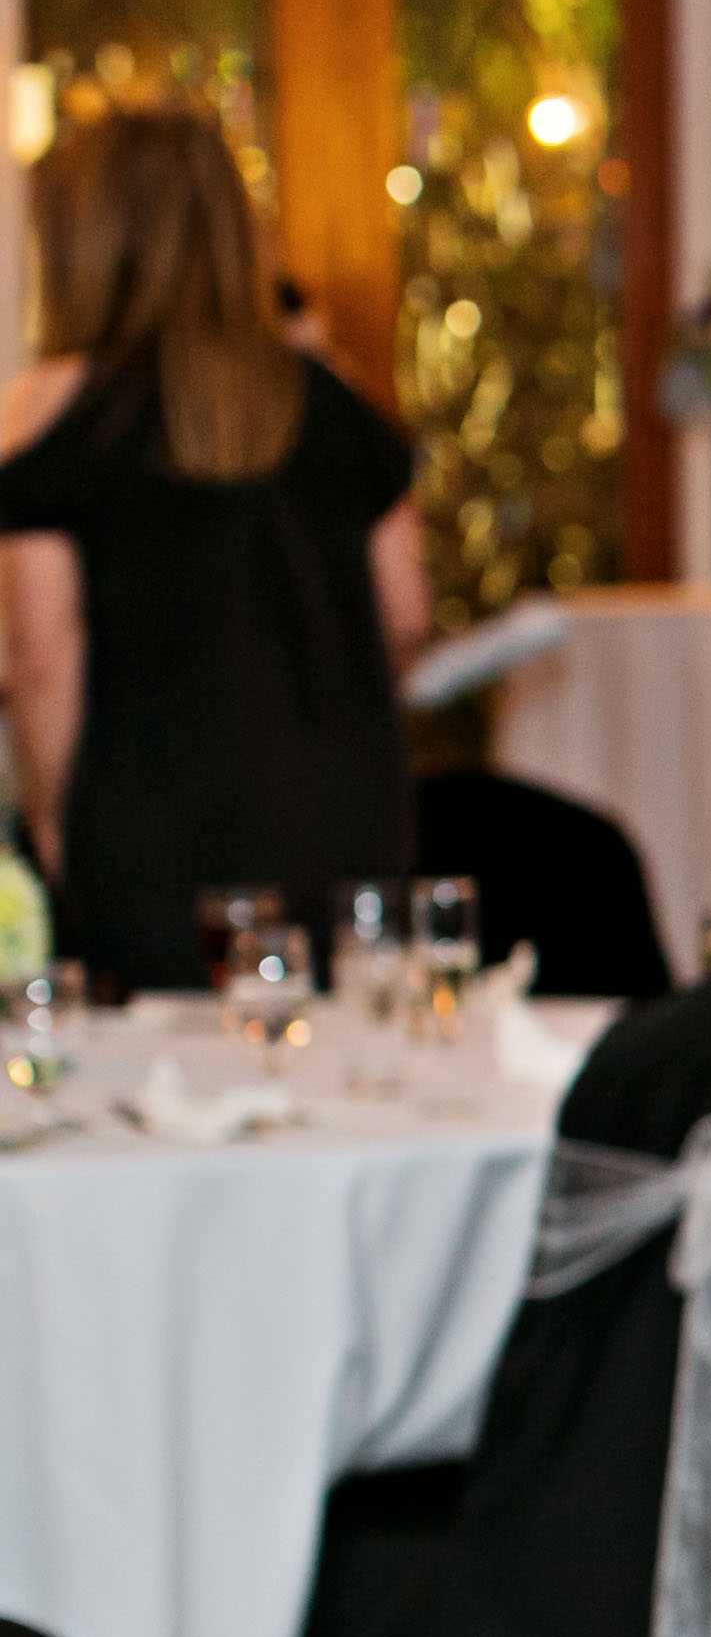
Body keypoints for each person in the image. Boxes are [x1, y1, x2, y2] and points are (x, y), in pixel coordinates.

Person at [0, 109, 424, 998]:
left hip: (145, 822)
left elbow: (40, 658)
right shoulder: (332, 397)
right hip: (342, 812)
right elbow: (407, 613)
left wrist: (52, 826)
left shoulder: (56, 414)